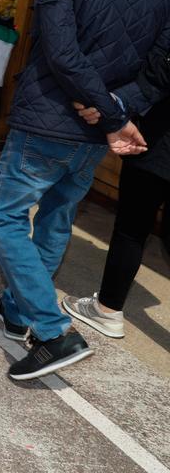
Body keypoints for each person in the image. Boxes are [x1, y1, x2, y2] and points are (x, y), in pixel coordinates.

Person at [0, 0, 170, 381]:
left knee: (4, 218)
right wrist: (117, 107)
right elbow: (161, 64)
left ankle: (52, 331)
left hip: (52, 118)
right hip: (93, 131)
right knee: (57, 216)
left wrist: (108, 111)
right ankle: (19, 312)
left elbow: (62, 53)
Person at [62, 29, 170, 340]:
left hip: (161, 140)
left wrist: (113, 103)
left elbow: (160, 72)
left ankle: (107, 309)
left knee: (132, 228)